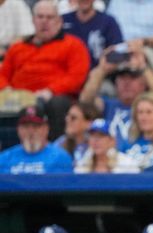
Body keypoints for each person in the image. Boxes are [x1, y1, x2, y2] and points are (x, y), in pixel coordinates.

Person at [0, 0, 90, 139]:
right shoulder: (17, 47)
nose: (44, 21)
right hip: (16, 97)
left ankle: (55, 148)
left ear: (59, 21)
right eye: (40, 17)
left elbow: (77, 77)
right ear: (33, 20)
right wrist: (6, 89)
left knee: (57, 103)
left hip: (51, 98)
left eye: (49, 17)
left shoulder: (73, 45)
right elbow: (3, 74)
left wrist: (51, 91)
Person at [79, 46, 153, 141]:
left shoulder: (150, 106)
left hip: (139, 152)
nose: (126, 83)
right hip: (111, 152)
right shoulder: (108, 104)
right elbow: (85, 101)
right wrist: (101, 69)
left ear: (144, 83)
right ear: (115, 83)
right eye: (122, 78)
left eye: (132, 78)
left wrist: (143, 67)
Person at [106, 0, 153, 73]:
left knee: (137, 58)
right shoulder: (116, 2)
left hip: (149, 47)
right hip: (120, 47)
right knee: (106, 58)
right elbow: (107, 32)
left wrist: (143, 41)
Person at [0, 105, 73, 174]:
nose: (31, 131)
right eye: (26, 127)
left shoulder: (60, 158)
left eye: (36, 126)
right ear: (18, 130)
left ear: (46, 129)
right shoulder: (5, 159)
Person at [61, 0, 122, 68]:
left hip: (99, 71)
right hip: (67, 70)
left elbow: (118, 50)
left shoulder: (108, 22)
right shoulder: (63, 20)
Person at [74, 118, 140, 173]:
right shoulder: (83, 164)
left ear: (111, 141)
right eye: (92, 136)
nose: (96, 140)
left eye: (101, 136)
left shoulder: (126, 164)